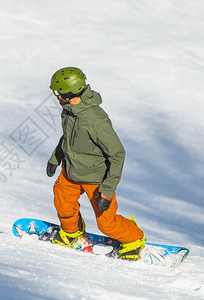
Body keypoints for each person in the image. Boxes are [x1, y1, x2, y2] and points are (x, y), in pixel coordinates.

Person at [46, 67, 145, 260]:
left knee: (107, 224)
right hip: (71, 171)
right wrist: (55, 158)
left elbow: (118, 154)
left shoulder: (95, 120)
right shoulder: (68, 112)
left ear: (68, 94)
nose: (56, 97)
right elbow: (67, 137)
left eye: (57, 93)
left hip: (96, 179)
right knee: (63, 203)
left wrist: (107, 190)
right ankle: (72, 234)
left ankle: (134, 238)